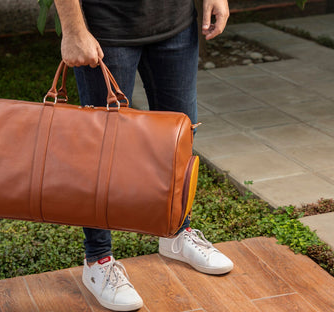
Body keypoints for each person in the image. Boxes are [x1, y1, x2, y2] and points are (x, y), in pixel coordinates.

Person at [53, 0, 233, 310]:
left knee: (181, 138)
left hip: (175, 23)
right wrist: (72, 29)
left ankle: (176, 233)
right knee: (101, 151)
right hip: (106, 28)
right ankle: (98, 259)